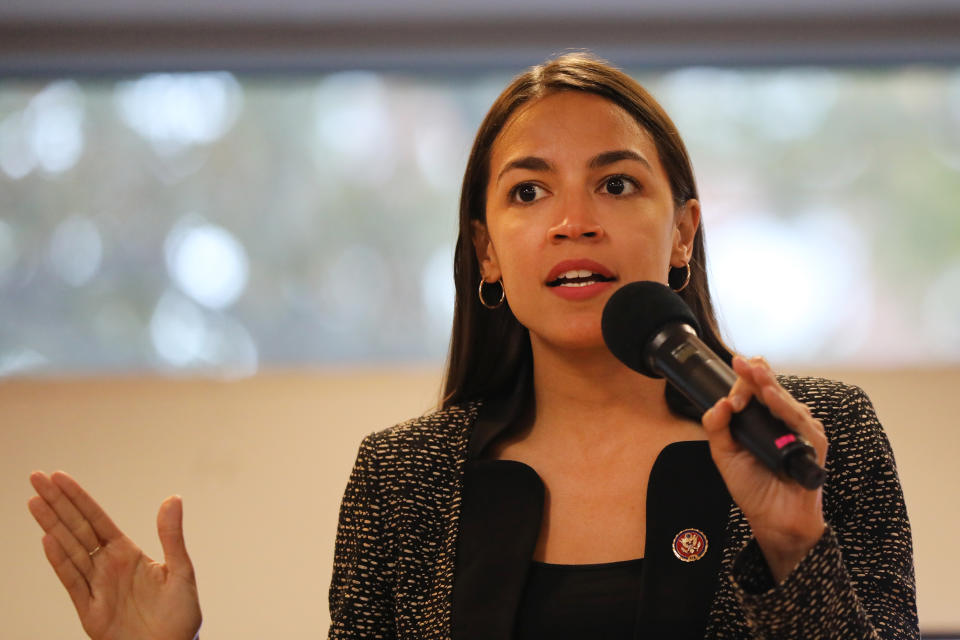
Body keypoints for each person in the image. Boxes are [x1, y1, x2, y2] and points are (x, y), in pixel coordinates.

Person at [28, 52, 918, 640]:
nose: (574, 221)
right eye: (530, 194)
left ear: (683, 232)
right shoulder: (403, 481)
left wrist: (793, 551)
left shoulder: (808, 437)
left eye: (616, 183)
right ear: (487, 250)